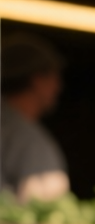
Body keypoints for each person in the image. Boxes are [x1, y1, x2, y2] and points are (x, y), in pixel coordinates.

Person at [2, 33, 69, 201]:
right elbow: (47, 214)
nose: (59, 87)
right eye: (55, 77)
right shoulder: (28, 140)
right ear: (38, 80)